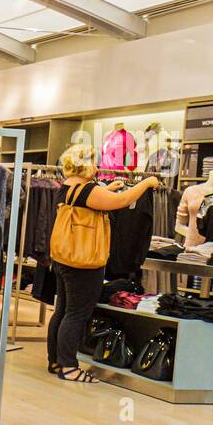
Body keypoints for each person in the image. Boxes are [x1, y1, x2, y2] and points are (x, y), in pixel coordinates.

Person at [48, 145, 160, 383]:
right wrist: (147, 182)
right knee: (77, 314)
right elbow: (123, 200)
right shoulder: (88, 189)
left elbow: (89, 202)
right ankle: (69, 367)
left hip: (64, 257)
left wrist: (106, 189)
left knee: (63, 310)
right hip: (83, 262)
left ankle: (56, 359)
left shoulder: (68, 186)